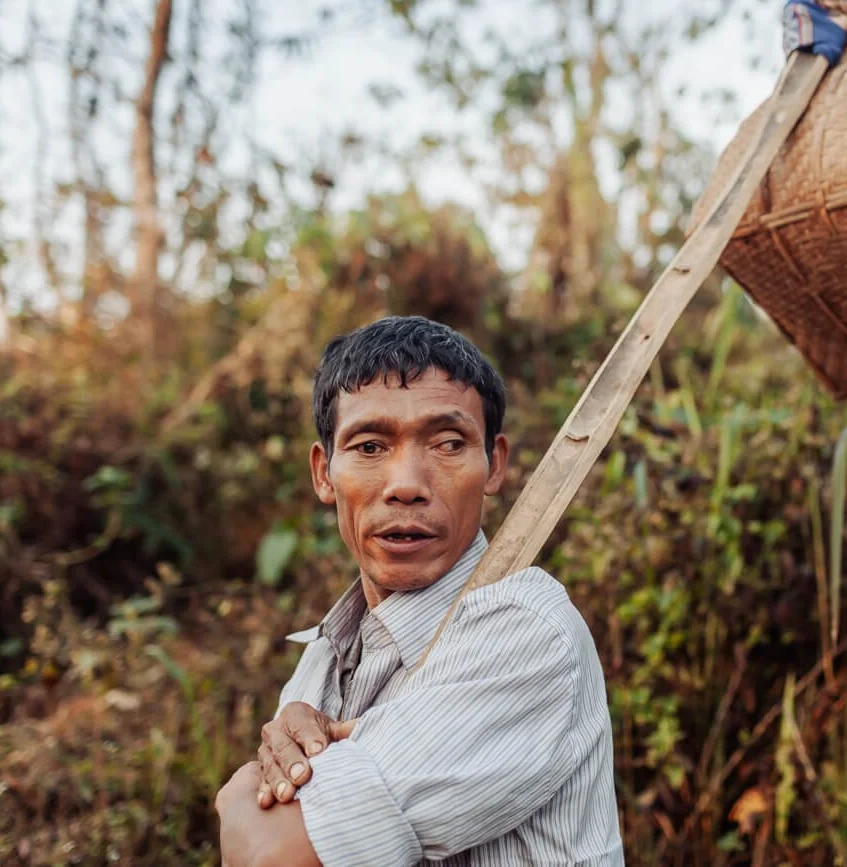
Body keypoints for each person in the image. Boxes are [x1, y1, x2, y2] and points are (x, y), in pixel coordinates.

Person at [214, 316, 623, 866]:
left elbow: (273, 855)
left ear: (494, 464)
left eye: (448, 443)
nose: (406, 484)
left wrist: (235, 791)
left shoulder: (526, 634)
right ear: (323, 473)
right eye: (369, 446)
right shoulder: (326, 650)